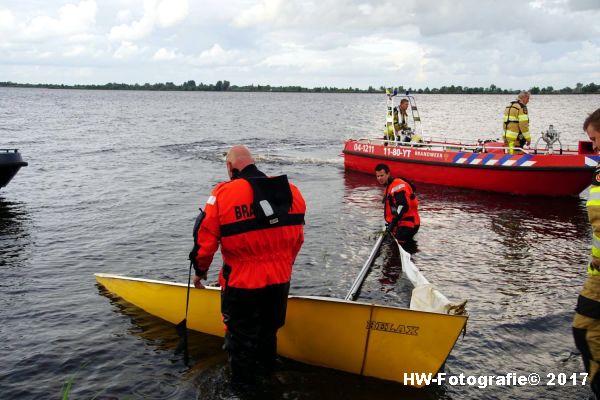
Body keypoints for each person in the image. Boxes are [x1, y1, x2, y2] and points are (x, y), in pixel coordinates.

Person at [189, 145, 306, 392]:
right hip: (279, 282)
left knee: (239, 345)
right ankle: (269, 383)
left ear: (230, 167)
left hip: (242, 284)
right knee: (267, 336)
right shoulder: (292, 192)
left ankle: (242, 391)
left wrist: (200, 271)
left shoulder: (222, 194)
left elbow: (205, 241)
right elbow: (297, 239)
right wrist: (284, 267)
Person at [573, 107, 600, 398]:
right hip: (596, 273)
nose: (593, 147)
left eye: (594, 139)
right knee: (584, 332)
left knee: (587, 333)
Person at [374, 163, 420, 242]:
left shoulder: (396, 185)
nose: (379, 178)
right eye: (377, 176)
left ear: (388, 174)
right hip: (402, 224)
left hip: (408, 224)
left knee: (398, 247)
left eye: (382, 175)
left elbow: (403, 205)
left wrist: (392, 225)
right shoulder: (389, 187)